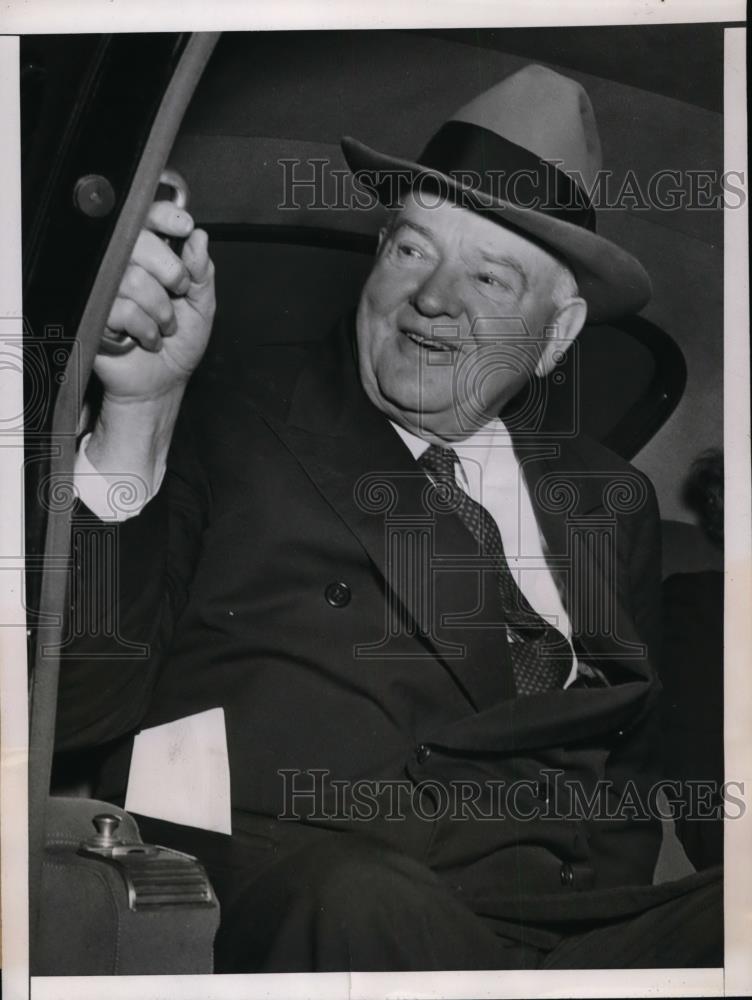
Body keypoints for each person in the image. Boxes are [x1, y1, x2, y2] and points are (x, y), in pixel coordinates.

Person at [57, 65, 722, 970]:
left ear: (558, 334)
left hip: (564, 927)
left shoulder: (612, 500)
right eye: (412, 249)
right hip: (319, 895)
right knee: (367, 902)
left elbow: (630, 771)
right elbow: (71, 704)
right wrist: (137, 418)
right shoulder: (223, 414)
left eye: (489, 276)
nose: (435, 299)